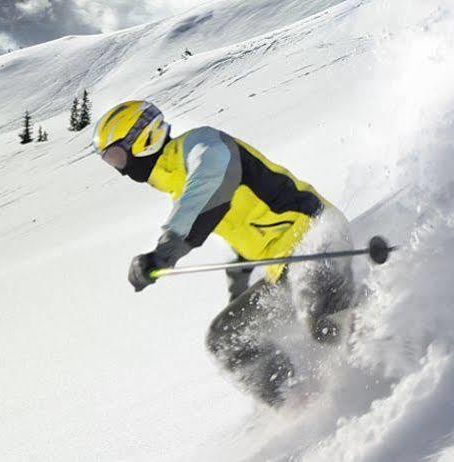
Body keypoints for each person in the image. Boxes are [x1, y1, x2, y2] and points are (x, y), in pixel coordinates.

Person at [92, 100, 354, 406]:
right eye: (110, 161)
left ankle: (391, 332)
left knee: (320, 315)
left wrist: (164, 251)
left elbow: (214, 182)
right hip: (283, 269)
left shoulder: (201, 144)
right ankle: (300, 404)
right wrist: (239, 289)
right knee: (227, 338)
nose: (120, 170)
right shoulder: (179, 183)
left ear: (143, 138)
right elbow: (242, 234)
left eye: (116, 156)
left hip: (316, 239)